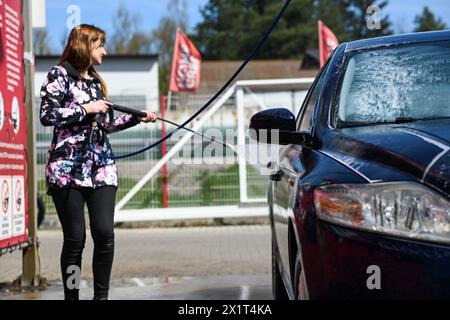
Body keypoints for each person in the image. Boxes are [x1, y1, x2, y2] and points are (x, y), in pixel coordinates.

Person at [39, 24, 157, 300]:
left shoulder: (95, 81)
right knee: (75, 240)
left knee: (104, 233)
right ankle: (72, 297)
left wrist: (135, 118)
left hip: (101, 168)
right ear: (84, 46)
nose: (104, 51)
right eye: (99, 45)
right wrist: (86, 108)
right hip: (67, 170)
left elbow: (105, 126)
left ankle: (101, 297)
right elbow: (47, 115)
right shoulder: (60, 75)